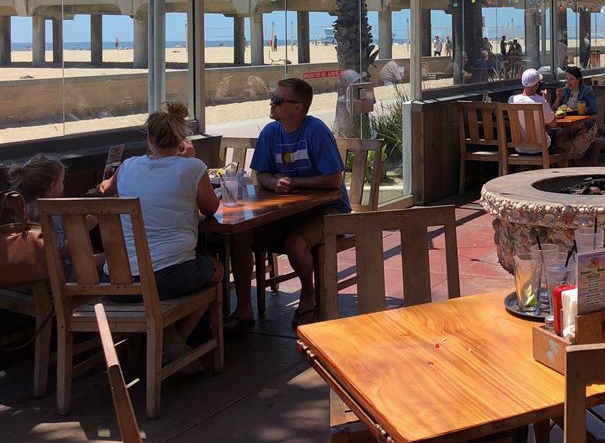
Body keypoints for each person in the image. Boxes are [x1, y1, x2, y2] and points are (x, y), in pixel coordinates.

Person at [100, 102, 223, 346]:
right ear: (181, 138)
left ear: (150, 136)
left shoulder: (128, 166)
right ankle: (177, 343)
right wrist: (189, 160)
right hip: (166, 278)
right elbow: (211, 209)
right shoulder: (192, 167)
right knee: (217, 269)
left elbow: (105, 190)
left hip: (115, 280)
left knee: (181, 271)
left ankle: (166, 338)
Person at [231, 79, 347, 330]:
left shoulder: (316, 131)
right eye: (273, 98)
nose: (272, 104)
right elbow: (260, 174)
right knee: (239, 235)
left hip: (328, 210)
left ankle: (308, 293)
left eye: (278, 100)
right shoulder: (270, 132)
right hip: (287, 211)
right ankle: (243, 308)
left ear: (298, 107)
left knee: (295, 243)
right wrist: (274, 183)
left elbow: (334, 180)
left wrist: (294, 181)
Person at [2, 154, 92, 282]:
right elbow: (61, 250)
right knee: (109, 260)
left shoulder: (19, 207)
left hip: (25, 276)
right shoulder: (50, 211)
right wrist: (87, 225)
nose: (63, 186)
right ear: (52, 186)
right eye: (62, 182)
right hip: (59, 278)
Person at [553, 66, 598, 162]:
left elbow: (594, 108)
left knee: (575, 144)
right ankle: (566, 162)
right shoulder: (565, 91)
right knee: (558, 141)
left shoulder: (587, 91)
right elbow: (555, 109)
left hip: (585, 126)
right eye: (566, 79)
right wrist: (558, 97)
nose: (568, 81)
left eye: (571, 79)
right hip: (568, 126)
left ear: (578, 79)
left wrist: (577, 110)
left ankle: (568, 163)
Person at [508, 68, 556, 155]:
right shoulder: (541, 101)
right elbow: (553, 123)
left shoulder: (511, 100)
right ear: (537, 85)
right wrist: (545, 100)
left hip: (520, 147)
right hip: (541, 147)